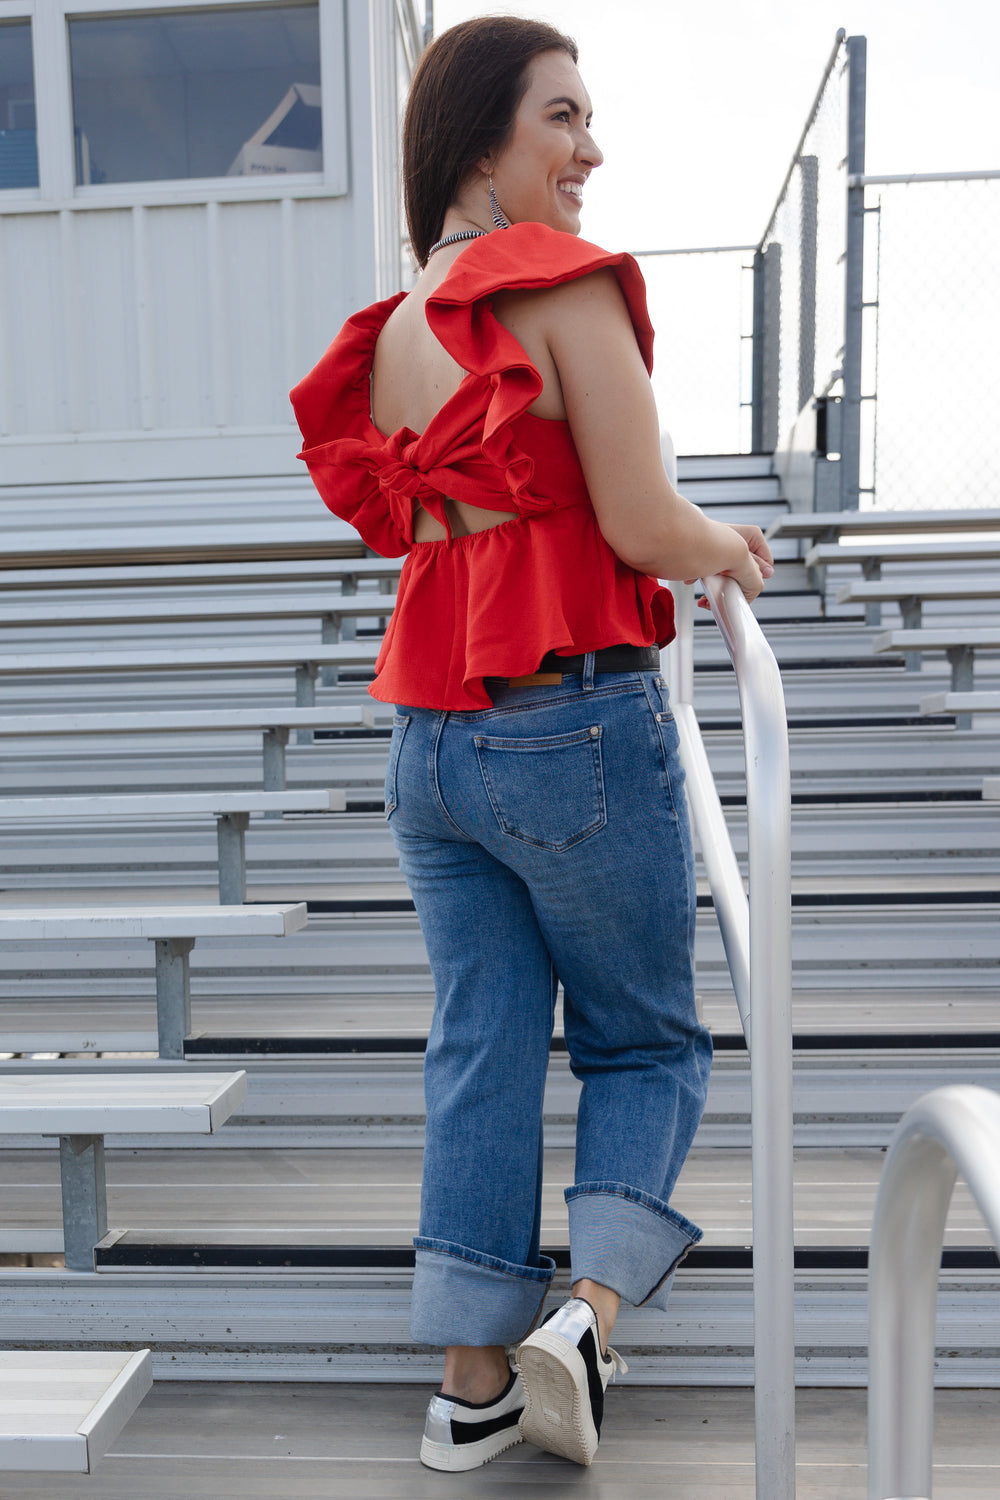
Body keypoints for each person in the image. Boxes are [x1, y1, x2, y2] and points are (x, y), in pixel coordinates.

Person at [291, 15, 773, 1472]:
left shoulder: (384, 340)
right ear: (478, 139)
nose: (590, 149)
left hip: (432, 744)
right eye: (560, 118)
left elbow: (441, 531)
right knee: (645, 1041)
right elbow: (639, 522)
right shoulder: (562, 290)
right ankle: (592, 1315)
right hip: (572, 718)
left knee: (483, 1045)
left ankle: (470, 1381)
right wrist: (731, 551)